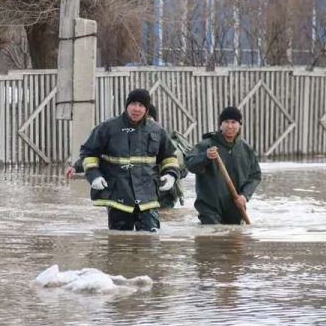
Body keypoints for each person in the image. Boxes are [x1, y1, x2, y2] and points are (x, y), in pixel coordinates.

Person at [79, 88, 181, 231]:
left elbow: (169, 157)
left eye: (141, 105)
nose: (136, 109)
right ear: (127, 105)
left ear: (146, 109)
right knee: (119, 243)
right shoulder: (107, 128)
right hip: (118, 195)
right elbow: (89, 153)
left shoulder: (157, 130)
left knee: (150, 241)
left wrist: (171, 174)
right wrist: (94, 176)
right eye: (133, 104)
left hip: (148, 196)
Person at [186, 106, 261, 224]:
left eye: (234, 122)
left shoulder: (246, 149)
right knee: (213, 238)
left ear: (240, 124)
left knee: (235, 238)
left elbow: (255, 176)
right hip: (209, 209)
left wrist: (245, 196)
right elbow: (190, 165)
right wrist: (205, 157)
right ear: (221, 124)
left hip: (236, 209)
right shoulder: (206, 145)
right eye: (226, 122)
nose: (230, 126)